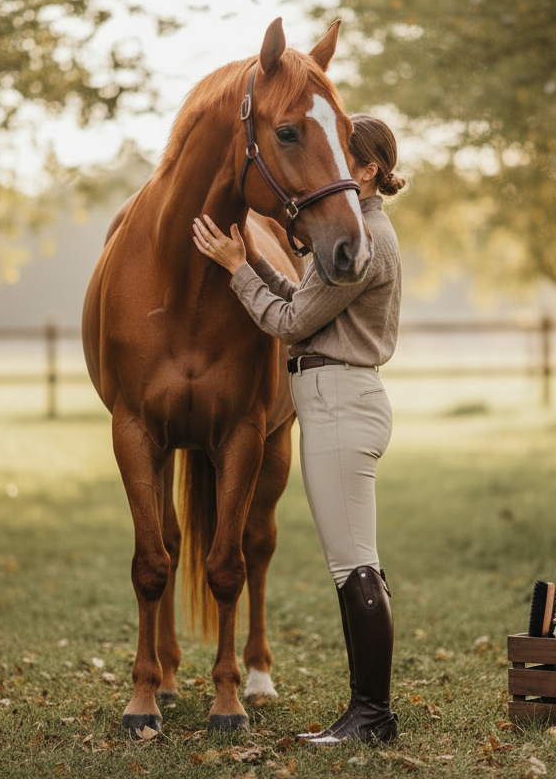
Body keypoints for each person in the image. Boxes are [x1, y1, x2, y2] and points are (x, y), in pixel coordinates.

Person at [191, 114, 406, 745]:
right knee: (356, 565)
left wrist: (236, 270)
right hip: (339, 398)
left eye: (346, 157)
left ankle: (371, 714)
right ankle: (368, 710)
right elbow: (305, 302)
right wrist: (253, 258)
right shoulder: (361, 232)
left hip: (340, 402)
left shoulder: (363, 241)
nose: (333, 165)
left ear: (366, 169)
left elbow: (288, 323)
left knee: (354, 568)